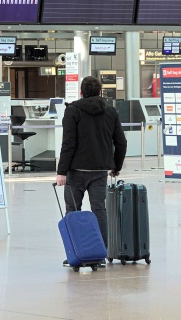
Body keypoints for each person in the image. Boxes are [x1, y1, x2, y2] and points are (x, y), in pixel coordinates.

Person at [56, 76, 127, 267]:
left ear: (81, 92)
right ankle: (100, 254)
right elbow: (121, 142)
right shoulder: (110, 112)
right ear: (99, 92)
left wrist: (61, 171)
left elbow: (68, 143)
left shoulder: (72, 111)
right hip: (100, 171)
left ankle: (76, 254)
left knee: (73, 211)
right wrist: (116, 166)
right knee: (99, 210)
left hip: (76, 171)